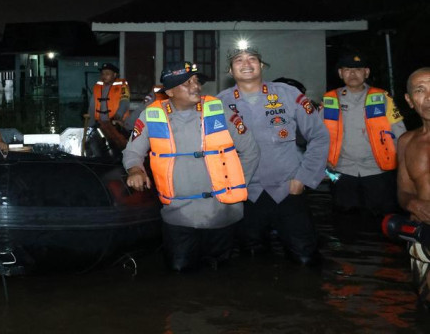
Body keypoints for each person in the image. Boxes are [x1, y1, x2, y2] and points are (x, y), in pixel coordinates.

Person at [125, 61, 259, 271]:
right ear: (169, 91)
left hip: (222, 213)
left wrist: (237, 186)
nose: (195, 86)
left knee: (220, 275)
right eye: (187, 83)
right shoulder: (152, 115)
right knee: (179, 274)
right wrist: (134, 169)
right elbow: (133, 152)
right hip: (178, 216)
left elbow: (250, 151)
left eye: (196, 81)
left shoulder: (218, 111)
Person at [216, 45, 329, 265]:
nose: (246, 64)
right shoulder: (218, 103)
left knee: (305, 258)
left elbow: (319, 136)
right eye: (238, 60)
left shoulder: (289, 95)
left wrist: (304, 178)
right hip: (246, 193)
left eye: (252, 59)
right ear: (230, 70)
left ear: (261, 65)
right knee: (251, 259)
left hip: (288, 190)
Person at [322, 53, 405, 216]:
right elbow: (318, 134)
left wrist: (404, 164)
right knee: (343, 218)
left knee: (380, 218)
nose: (353, 74)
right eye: (347, 70)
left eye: (358, 69)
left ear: (366, 72)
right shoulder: (330, 99)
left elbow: (400, 132)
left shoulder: (382, 97)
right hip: (340, 170)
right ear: (340, 73)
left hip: (378, 170)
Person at [398, 68, 430, 306]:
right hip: (421, 237)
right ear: (410, 101)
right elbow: (403, 190)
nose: (429, 97)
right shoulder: (406, 141)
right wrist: (412, 203)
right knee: (424, 304)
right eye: (420, 90)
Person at [84, 62, 133, 152]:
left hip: (116, 124)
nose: (104, 76)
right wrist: (89, 126)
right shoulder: (97, 87)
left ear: (114, 74)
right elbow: (92, 106)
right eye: (102, 74)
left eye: (107, 74)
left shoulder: (122, 86)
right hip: (101, 124)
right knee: (103, 146)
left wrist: (118, 116)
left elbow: (125, 101)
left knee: (121, 146)